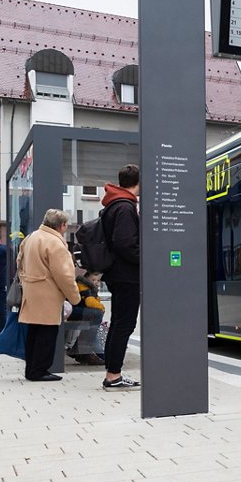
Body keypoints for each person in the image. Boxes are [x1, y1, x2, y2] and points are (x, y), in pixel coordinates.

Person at [17, 209, 81, 382]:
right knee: (47, 333)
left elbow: (19, 262)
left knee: (34, 332)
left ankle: (31, 369)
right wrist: (75, 297)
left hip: (31, 291)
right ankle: (39, 371)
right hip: (48, 294)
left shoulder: (31, 237)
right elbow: (64, 275)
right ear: (62, 225)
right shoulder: (55, 243)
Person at [100, 164, 141, 389]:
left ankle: (112, 373)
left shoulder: (114, 204)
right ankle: (113, 375)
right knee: (124, 324)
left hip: (118, 273)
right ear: (138, 182)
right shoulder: (125, 207)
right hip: (126, 275)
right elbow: (124, 243)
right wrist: (144, 258)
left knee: (118, 323)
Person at [64, 269, 106, 365]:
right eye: (93, 280)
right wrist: (102, 308)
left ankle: (81, 350)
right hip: (75, 311)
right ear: (86, 279)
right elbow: (90, 302)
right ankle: (85, 351)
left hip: (74, 310)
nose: (96, 282)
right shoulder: (86, 288)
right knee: (97, 316)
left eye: (98, 280)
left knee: (92, 327)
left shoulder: (83, 285)